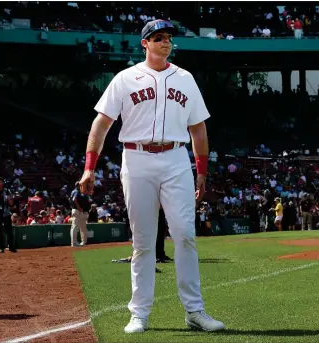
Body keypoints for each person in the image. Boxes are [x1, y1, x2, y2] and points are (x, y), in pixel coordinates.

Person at [79, 19, 224, 334]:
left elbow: (198, 128)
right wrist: (90, 165)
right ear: (144, 43)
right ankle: (139, 314)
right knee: (143, 241)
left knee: (185, 234)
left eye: (168, 38)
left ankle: (195, 311)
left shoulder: (184, 78)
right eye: (157, 38)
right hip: (137, 157)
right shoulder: (125, 78)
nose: (165, 42)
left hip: (175, 158)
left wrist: (201, 171)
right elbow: (101, 123)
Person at [70, 181, 91, 247]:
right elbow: (74, 199)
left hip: (83, 212)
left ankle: (83, 242)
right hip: (77, 211)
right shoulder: (76, 191)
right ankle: (74, 243)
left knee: (83, 228)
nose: (83, 186)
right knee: (75, 227)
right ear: (79, 186)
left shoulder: (82, 192)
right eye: (82, 185)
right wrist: (79, 208)